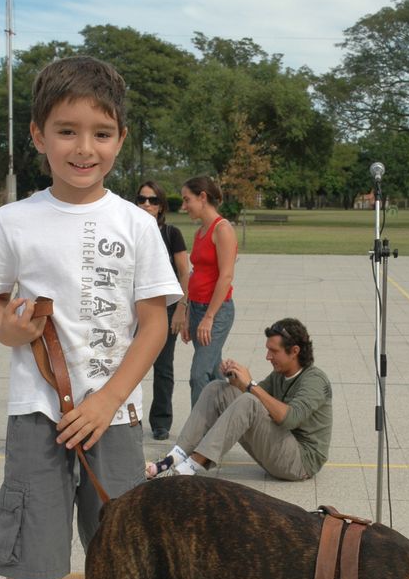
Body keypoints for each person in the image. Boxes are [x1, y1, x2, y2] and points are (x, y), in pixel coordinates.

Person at [0, 55, 183, 579]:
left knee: (121, 557)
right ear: (38, 135)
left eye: (100, 132)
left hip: (114, 417)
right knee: (31, 554)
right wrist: (10, 327)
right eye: (66, 131)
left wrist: (107, 400)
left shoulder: (138, 224)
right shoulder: (15, 220)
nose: (83, 147)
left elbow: (156, 324)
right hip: (38, 414)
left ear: (120, 138)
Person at [146, 318, 332, 481]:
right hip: (280, 448)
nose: (268, 357)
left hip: (300, 463)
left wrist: (250, 385)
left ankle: (188, 469)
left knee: (249, 401)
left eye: (274, 351)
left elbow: (289, 418)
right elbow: (255, 398)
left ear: (294, 351)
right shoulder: (280, 374)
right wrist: (235, 379)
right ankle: (174, 458)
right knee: (217, 389)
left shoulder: (315, 380)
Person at [136, 180, 190, 440]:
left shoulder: (171, 234)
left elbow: (184, 273)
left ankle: (161, 421)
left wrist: (181, 308)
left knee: (163, 367)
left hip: (164, 308)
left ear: (161, 206)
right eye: (142, 199)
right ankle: (127, 418)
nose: (147, 204)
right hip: (133, 307)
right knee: (127, 363)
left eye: (153, 200)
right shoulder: (129, 231)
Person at [181, 175, 237, 406]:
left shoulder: (222, 229)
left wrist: (209, 317)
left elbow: (226, 276)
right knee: (214, 372)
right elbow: (196, 274)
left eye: (187, 200)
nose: (184, 206)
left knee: (198, 375)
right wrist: (187, 315)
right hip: (196, 309)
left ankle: (200, 426)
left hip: (216, 311)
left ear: (202, 197)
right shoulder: (200, 232)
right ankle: (229, 418)